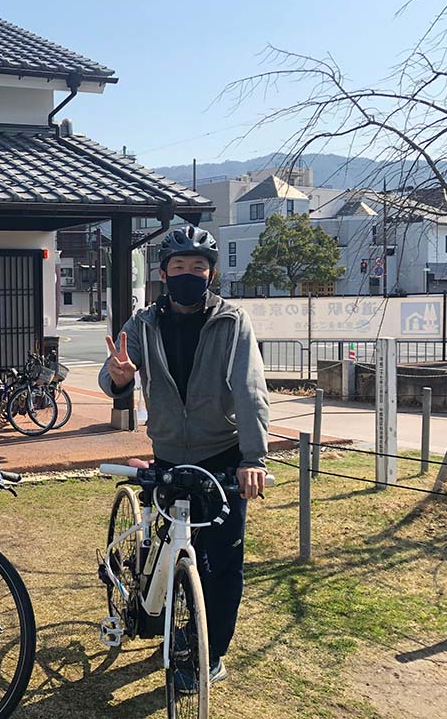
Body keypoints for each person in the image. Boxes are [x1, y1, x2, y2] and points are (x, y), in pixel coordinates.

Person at [98, 225, 270, 689]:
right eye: (179, 267)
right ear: (163, 273)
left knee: (222, 564)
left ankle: (210, 654)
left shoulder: (233, 322)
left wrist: (253, 457)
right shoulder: (142, 323)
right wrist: (118, 378)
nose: (188, 274)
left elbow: (251, 390)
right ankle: (160, 612)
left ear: (211, 274)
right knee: (171, 549)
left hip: (223, 456)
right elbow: (110, 375)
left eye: (198, 267)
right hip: (169, 453)